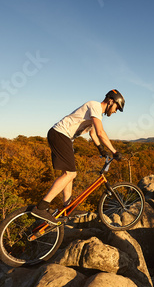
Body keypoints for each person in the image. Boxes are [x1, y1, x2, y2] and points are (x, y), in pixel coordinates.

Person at [31, 89, 125, 221]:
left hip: (63, 137)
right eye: (117, 107)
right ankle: (40, 208)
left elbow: (92, 134)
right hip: (60, 134)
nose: (116, 111)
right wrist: (114, 151)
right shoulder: (95, 106)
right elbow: (100, 132)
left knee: (69, 174)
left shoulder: (97, 113)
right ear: (111, 101)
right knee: (70, 173)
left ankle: (67, 208)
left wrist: (101, 150)